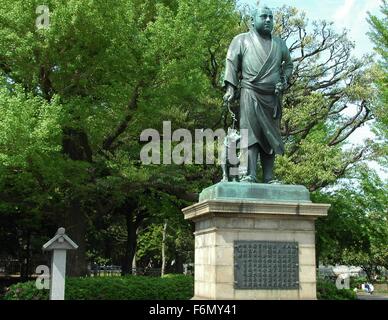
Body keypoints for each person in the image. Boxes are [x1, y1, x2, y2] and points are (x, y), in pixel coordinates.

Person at [223, 6, 293, 183]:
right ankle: (249, 174)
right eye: (264, 16)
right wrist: (231, 88)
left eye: (271, 17)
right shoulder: (241, 40)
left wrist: (283, 81)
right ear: (253, 20)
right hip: (250, 92)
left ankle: (269, 177)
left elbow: (289, 65)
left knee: (270, 136)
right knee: (250, 134)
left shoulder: (279, 44)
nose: (268, 20)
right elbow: (231, 62)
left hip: (272, 97)